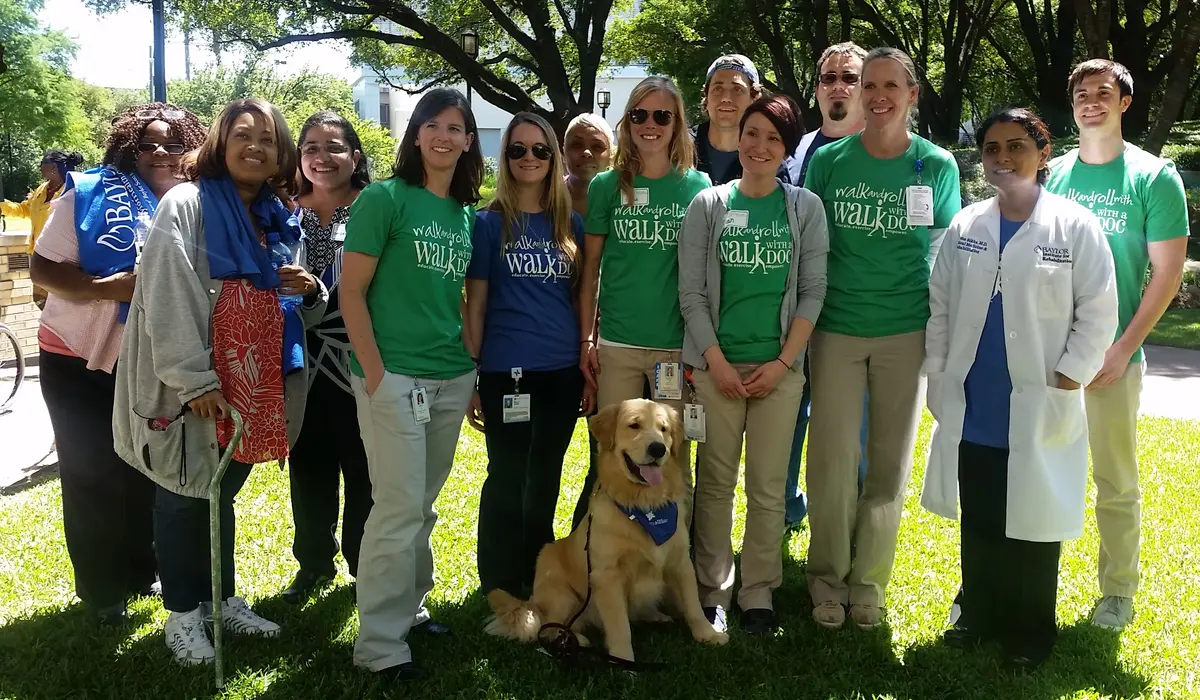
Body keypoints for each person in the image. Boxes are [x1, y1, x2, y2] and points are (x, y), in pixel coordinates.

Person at [113, 98, 326, 665]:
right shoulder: (187, 204)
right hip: (200, 387)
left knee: (219, 492)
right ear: (221, 142)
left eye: (268, 139)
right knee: (184, 493)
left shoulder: (277, 216)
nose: (256, 147)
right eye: (243, 135)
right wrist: (194, 381)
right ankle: (183, 614)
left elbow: (288, 301)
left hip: (255, 382)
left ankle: (219, 597)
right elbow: (164, 294)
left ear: (281, 154)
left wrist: (309, 290)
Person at [923, 107, 1118, 670]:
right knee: (982, 515)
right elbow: (940, 304)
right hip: (976, 399)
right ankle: (979, 613)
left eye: (1017, 147)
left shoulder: (1074, 226)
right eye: (991, 149)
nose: (1003, 159)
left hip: (1039, 401)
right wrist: (938, 372)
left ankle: (1031, 632)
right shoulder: (967, 225)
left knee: (1032, 522)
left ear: (1042, 154)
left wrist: (1067, 377)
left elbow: (1098, 312)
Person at [802, 47, 961, 631]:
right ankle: (825, 580)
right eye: (869, 84)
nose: (877, 96)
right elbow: (809, 249)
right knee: (832, 463)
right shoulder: (830, 162)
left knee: (888, 467)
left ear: (912, 95)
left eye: (891, 86)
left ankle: (867, 585)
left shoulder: (938, 166)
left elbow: (945, 257)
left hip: (905, 332)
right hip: (837, 330)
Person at [29, 104, 205, 625]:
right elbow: (41, 266)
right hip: (76, 357)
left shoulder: (195, 203)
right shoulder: (90, 194)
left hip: (149, 363)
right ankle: (104, 592)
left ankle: (141, 570)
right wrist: (101, 288)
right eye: (147, 143)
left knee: (145, 469)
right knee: (90, 473)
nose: (160, 153)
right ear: (128, 148)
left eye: (173, 144)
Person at [340, 87, 483, 682]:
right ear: (416, 134)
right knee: (396, 508)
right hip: (393, 376)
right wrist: (378, 377)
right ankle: (378, 645)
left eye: (456, 127)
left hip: (450, 376)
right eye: (434, 125)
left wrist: (470, 368)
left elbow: (464, 300)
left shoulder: (465, 214)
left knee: (421, 504)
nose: (444, 136)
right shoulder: (384, 198)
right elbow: (350, 293)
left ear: (469, 142)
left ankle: (411, 608)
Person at [1045, 59, 1189, 631]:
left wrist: (1124, 348)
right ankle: (1032, 584)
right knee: (1040, 472)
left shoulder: (1154, 179)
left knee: (1115, 480)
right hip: (1048, 358)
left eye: (1102, 93)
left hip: (1112, 359)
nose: (1090, 102)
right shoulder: (1052, 174)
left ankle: (1118, 592)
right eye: (1081, 93)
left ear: (1124, 103)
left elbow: (1167, 273)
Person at [679, 94, 828, 635]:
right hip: (715, 369)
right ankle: (712, 588)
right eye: (752, 133)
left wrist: (785, 364)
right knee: (715, 483)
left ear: (787, 148)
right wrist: (715, 363)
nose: (760, 145)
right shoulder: (708, 205)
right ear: (737, 139)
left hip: (779, 373)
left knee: (768, 487)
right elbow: (691, 294)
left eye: (773, 137)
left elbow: (813, 292)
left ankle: (758, 590)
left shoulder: (805, 208)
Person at [465, 112, 594, 616]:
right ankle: (498, 581)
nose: (529, 159)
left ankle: (534, 575)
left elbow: (581, 297)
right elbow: (474, 304)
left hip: (560, 371)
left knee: (545, 477)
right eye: (517, 150)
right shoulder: (488, 222)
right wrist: (474, 374)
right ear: (505, 158)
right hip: (505, 373)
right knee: (506, 475)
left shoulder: (571, 224)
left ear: (553, 158)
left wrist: (585, 359)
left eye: (540, 150)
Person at [574, 76, 711, 523]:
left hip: (675, 346)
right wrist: (586, 340)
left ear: (677, 125)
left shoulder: (698, 187)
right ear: (627, 122)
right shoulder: (605, 187)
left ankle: (673, 556)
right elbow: (590, 269)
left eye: (661, 116)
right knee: (614, 455)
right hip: (617, 345)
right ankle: (612, 555)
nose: (649, 125)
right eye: (639, 115)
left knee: (672, 457)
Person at [281, 111, 374, 605]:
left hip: (358, 359)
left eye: (334, 147)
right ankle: (313, 563)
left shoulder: (374, 209)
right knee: (308, 465)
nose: (322, 157)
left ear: (354, 156)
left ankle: (363, 563)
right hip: (297, 362)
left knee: (363, 466)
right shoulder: (282, 214)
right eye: (311, 147)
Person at [784, 41, 870, 529]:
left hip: (851, 315)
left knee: (849, 426)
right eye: (829, 77)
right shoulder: (797, 150)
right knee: (792, 412)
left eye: (850, 77)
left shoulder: (885, 150)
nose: (838, 86)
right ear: (817, 88)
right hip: (795, 310)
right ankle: (787, 511)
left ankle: (848, 520)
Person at [692, 54, 801, 186]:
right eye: (717, 88)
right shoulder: (680, 146)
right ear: (707, 97)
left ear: (754, 98)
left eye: (737, 89)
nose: (726, 98)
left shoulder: (765, 157)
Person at [4, 150, 85, 306]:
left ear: (53, 166)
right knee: (41, 299)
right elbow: (25, 209)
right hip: (39, 256)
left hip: (63, 259)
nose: (40, 167)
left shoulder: (71, 191)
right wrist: (3, 207)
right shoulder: (42, 190)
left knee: (61, 303)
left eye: (43, 163)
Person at [563, 113, 613, 218]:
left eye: (597, 147)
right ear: (563, 151)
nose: (586, 153)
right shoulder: (545, 196)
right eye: (577, 145)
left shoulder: (625, 200)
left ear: (610, 155)